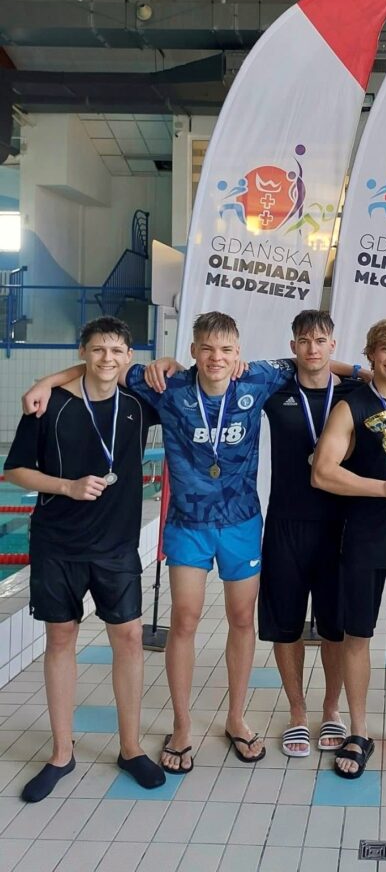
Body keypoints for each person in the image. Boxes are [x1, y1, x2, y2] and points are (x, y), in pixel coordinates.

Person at [23, 311, 297, 773]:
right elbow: (102, 367)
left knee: (241, 619)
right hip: (188, 524)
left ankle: (236, 717)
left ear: (238, 354)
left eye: (226, 350)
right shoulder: (168, 386)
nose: (216, 358)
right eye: (207, 349)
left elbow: (312, 362)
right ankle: (182, 725)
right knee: (184, 622)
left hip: (242, 522)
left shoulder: (258, 378)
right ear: (193, 351)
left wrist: (366, 372)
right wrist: (46, 382)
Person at [6, 317, 166, 801]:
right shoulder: (49, 406)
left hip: (116, 546)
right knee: (61, 640)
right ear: (83, 351)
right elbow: (15, 471)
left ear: (129, 357)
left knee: (129, 639)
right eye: (98, 350)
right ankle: (61, 753)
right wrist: (67, 487)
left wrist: (170, 363)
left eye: (117, 351)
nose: (107, 359)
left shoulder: (137, 404)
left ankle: (131, 748)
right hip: (58, 542)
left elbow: (181, 375)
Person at [312, 317, 386, 779]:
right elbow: (322, 472)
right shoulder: (351, 405)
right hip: (362, 539)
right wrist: (383, 489)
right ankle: (359, 731)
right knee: (357, 637)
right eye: (385, 349)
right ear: (371, 354)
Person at [260, 309, 366, 757]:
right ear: (293, 347)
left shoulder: (354, 393)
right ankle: (298, 713)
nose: (312, 348)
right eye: (304, 340)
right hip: (286, 522)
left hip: (340, 524)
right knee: (285, 625)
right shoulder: (274, 390)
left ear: (333, 345)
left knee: (335, 627)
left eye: (321, 340)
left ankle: (331, 708)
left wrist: (358, 371)